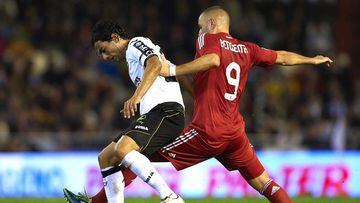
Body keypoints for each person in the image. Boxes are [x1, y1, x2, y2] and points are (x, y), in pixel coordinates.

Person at [70, 6, 333, 203]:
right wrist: (312, 59)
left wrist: (172, 69)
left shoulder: (208, 39)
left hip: (207, 131)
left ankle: (108, 201)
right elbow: (282, 57)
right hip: (234, 132)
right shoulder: (247, 48)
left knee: (133, 153)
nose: (198, 31)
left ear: (212, 22)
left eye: (200, 25)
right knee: (264, 183)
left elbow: (212, 61)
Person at [63, 20, 186, 203]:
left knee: (121, 149)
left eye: (103, 50)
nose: (104, 57)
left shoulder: (136, 43)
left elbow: (155, 64)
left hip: (167, 112)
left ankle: (170, 197)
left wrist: (136, 97)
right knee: (106, 157)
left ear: (114, 38)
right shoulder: (130, 60)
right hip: (155, 114)